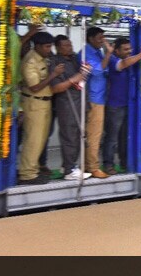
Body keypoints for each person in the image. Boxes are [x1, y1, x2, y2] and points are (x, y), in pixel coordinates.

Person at [18, 32, 64, 185]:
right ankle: (27, 174)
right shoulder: (30, 61)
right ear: (37, 46)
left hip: (45, 103)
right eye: (46, 46)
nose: (49, 49)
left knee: (41, 140)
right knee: (33, 140)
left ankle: (34, 169)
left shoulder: (44, 58)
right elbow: (35, 87)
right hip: (34, 103)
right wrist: (54, 75)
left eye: (50, 46)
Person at [103, 38, 141, 174]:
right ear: (116, 51)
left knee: (124, 137)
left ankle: (125, 163)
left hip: (127, 105)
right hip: (115, 106)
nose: (129, 51)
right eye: (125, 49)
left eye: (130, 49)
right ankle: (108, 165)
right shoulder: (113, 60)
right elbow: (122, 64)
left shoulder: (130, 61)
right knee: (112, 138)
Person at [50, 35, 92, 180]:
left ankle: (68, 165)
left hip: (80, 101)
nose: (70, 47)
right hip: (66, 104)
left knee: (78, 136)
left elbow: (80, 80)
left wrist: (84, 72)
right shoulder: (55, 63)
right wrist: (74, 79)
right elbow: (55, 88)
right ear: (58, 47)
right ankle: (69, 170)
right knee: (69, 136)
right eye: (66, 46)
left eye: (70, 44)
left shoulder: (74, 58)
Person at [81, 27, 111, 179]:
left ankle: (88, 164)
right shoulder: (86, 53)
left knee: (94, 134)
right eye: (100, 38)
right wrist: (109, 53)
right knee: (94, 134)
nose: (102, 41)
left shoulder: (97, 52)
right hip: (93, 99)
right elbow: (99, 71)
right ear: (90, 38)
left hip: (100, 97)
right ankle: (92, 167)